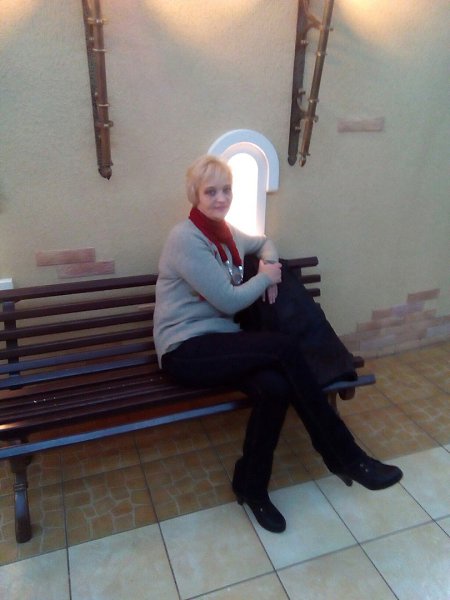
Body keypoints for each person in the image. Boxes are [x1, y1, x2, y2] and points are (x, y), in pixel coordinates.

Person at [154, 155, 402, 533]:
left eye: (226, 190)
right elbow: (229, 301)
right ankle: (345, 456)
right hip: (185, 348)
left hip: (223, 342)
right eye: (211, 191)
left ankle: (251, 487)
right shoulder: (185, 239)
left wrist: (268, 261)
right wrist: (267, 278)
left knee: (275, 387)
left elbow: (265, 241)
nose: (220, 198)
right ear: (195, 195)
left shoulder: (226, 233)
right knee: (283, 348)